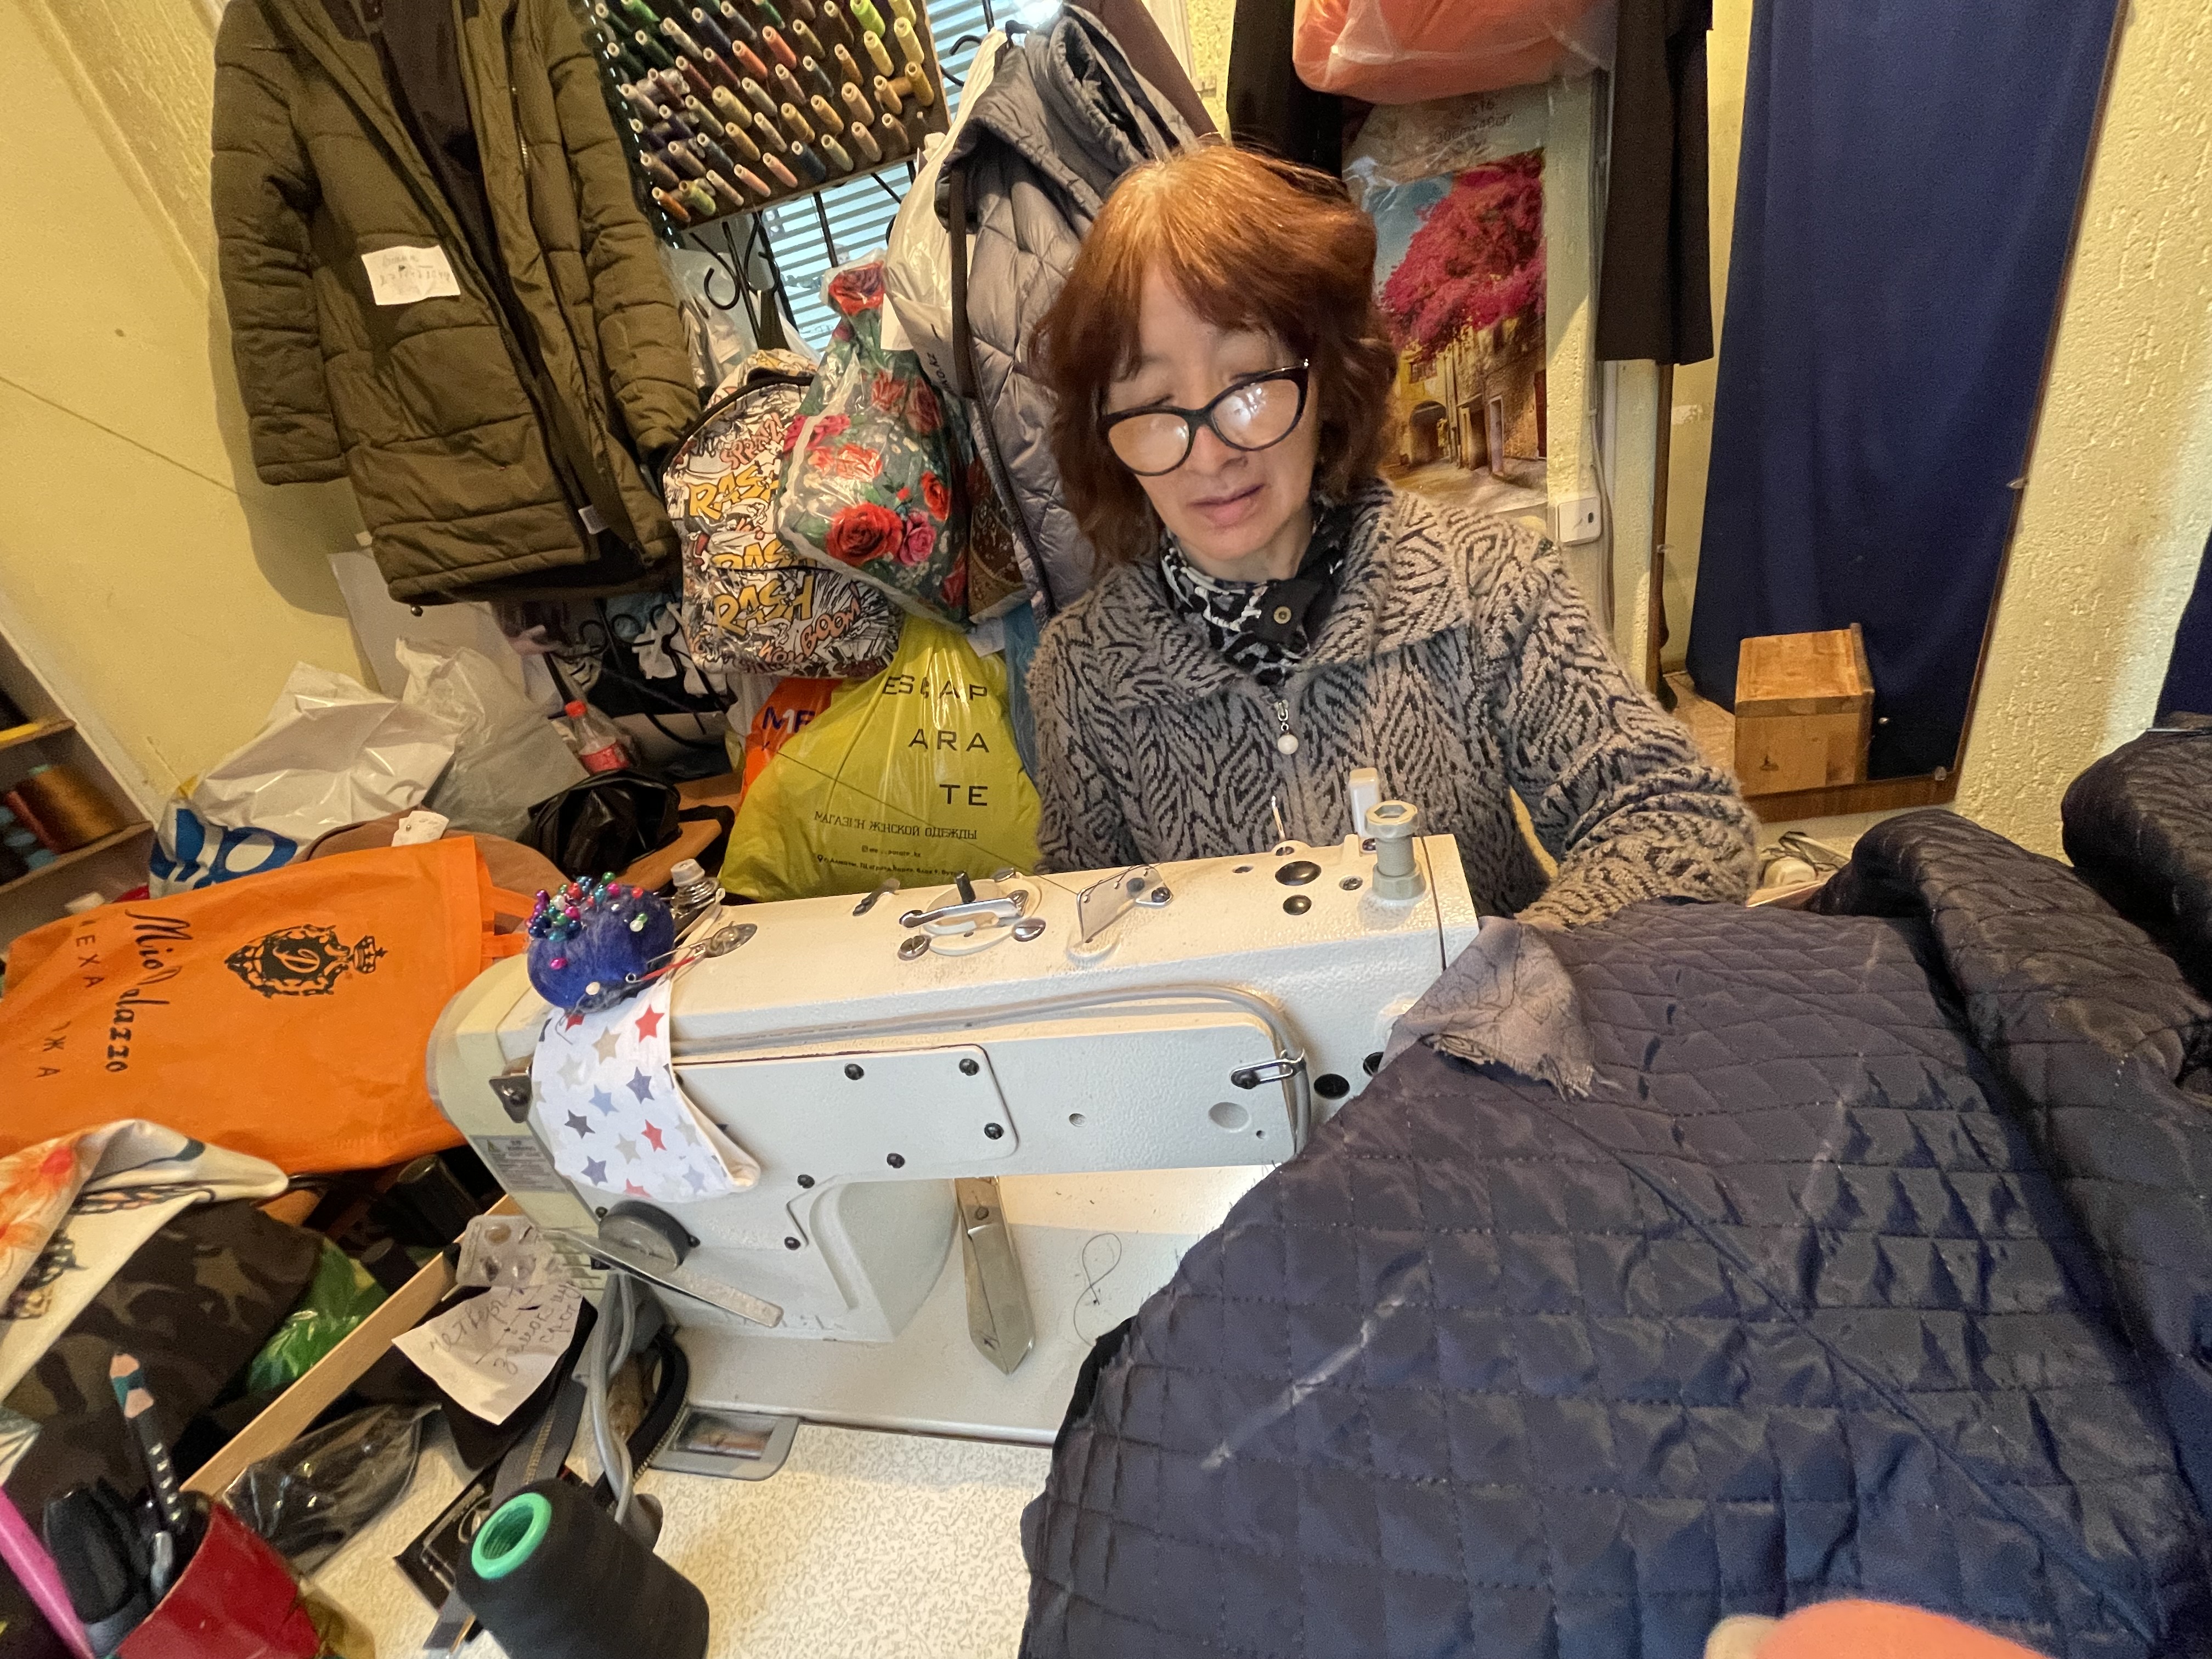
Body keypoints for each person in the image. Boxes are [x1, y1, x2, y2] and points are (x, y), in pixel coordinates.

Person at [1026, 145, 1757, 927]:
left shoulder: (1489, 581)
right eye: (1153, 405)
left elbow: (1676, 820)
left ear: (1326, 375)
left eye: (1249, 383)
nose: (1210, 455)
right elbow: (1087, 927)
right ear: (1105, 431)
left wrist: (1501, 980)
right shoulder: (1081, 673)